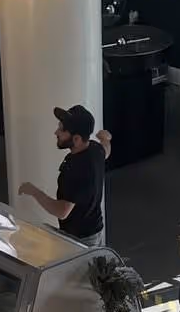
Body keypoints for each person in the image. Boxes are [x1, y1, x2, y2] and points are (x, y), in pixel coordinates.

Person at [18, 104, 112, 244]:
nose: (56, 132)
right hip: (95, 232)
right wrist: (105, 138)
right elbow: (106, 150)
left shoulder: (76, 169)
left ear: (76, 139)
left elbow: (62, 211)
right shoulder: (95, 149)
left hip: (79, 241)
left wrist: (33, 191)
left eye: (62, 130)